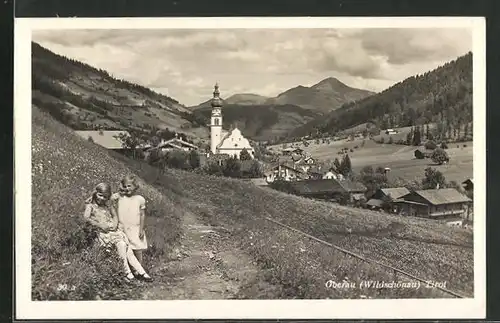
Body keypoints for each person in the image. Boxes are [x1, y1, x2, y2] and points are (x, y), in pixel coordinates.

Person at [83, 182, 152, 282]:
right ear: (95, 193)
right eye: (100, 195)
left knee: (125, 246)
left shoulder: (108, 206)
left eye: (105, 197)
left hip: (113, 232)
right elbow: (86, 218)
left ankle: (141, 272)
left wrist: (115, 224)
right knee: (123, 245)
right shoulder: (90, 206)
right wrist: (100, 225)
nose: (102, 199)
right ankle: (128, 272)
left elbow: (115, 217)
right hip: (103, 233)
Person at [111, 175, 148, 269]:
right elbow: (109, 199)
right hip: (122, 227)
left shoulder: (140, 199)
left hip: (135, 228)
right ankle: (128, 268)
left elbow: (142, 215)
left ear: (135, 187)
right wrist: (119, 190)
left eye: (129, 186)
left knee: (137, 249)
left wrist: (141, 229)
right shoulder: (120, 197)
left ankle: (139, 268)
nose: (127, 188)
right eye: (125, 186)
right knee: (127, 248)